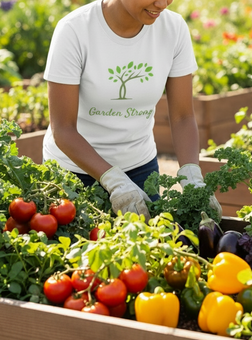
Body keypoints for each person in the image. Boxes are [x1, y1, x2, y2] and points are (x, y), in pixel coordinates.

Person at [42, 0, 222, 221]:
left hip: (140, 170)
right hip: (74, 173)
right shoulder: (75, 30)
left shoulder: (173, 29)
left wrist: (192, 175)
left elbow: (182, 116)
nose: (162, 4)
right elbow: (63, 128)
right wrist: (114, 181)